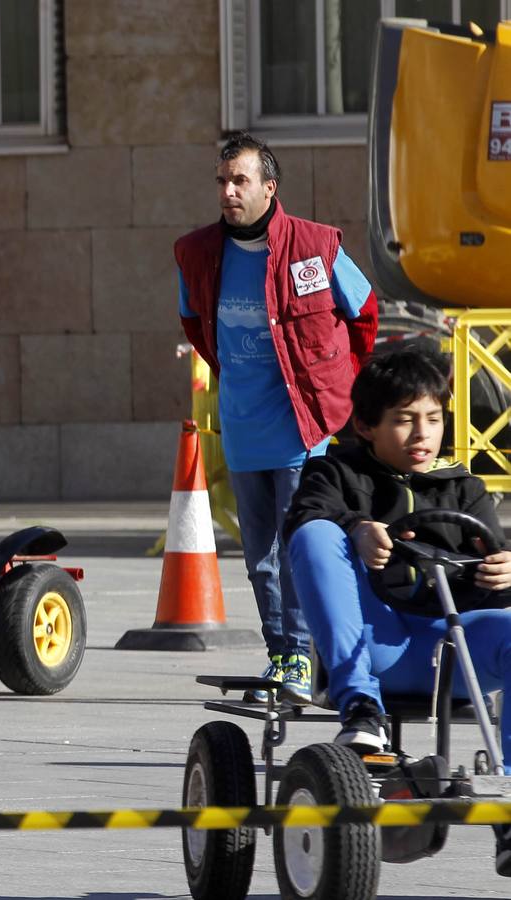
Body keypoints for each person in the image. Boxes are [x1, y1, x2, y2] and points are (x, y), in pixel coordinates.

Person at [283, 348, 511, 876]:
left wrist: (503, 573)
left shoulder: (465, 489)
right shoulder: (334, 473)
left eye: (432, 419)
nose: (422, 434)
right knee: (316, 534)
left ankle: (507, 793)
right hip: (373, 642)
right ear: (366, 425)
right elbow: (305, 520)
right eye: (405, 421)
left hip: (449, 654)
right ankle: (362, 713)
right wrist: (354, 527)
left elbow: (492, 590)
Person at [174, 133, 378, 704]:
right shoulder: (196, 255)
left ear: (269, 186)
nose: (229, 191)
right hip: (243, 431)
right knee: (258, 556)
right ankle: (283, 652)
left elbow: (362, 313)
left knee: (300, 547)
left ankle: (304, 653)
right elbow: (197, 326)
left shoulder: (313, 247)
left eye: (240, 180)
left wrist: (339, 382)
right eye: (222, 181)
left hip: (303, 431)